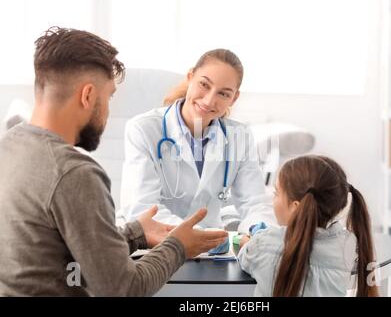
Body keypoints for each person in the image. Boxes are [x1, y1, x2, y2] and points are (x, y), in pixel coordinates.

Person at [0, 26, 227, 296]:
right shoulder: (74, 173)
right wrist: (178, 245)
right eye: (108, 96)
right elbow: (123, 288)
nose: (108, 111)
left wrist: (134, 234)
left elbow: (57, 252)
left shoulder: (10, 146)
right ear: (87, 96)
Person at [120, 49, 276, 233]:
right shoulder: (144, 129)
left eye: (224, 94)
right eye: (204, 84)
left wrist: (260, 230)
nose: (210, 100)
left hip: (211, 250)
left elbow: (254, 202)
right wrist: (201, 236)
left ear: (234, 98)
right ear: (190, 77)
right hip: (156, 246)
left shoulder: (239, 136)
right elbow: (143, 208)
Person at [237, 155, 379, 297]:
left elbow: (246, 256)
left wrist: (248, 243)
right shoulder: (348, 246)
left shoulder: (263, 244)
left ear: (295, 207)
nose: (272, 199)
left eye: (276, 193)